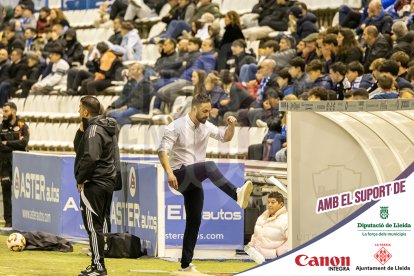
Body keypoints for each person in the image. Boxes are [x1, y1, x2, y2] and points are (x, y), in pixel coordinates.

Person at [157, 93, 253, 273]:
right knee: (209, 166)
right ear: (194, 109)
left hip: (195, 177)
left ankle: (185, 265)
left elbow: (226, 137)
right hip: (180, 175)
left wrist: (231, 126)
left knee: (194, 221)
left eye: (209, 111)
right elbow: (162, 151)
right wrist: (169, 173)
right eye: (204, 111)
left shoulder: (206, 125)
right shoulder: (175, 126)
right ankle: (236, 194)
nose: (208, 114)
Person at [74, 96, 120, 276]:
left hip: (95, 182)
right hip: (107, 181)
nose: (78, 111)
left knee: (94, 227)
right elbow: (80, 148)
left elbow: (90, 157)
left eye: (80, 108)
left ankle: (99, 267)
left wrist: (81, 178)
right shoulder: (107, 127)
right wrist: (80, 131)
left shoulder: (93, 129)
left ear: (86, 111)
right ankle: (95, 264)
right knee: (98, 226)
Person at [0, 102, 30, 228]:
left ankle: (23, 220)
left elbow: (24, 143)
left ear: (14, 111)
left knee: (22, 192)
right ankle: (8, 221)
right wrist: (10, 143)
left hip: (20, 163)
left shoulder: (22, 125)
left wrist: (7, 143)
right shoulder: (1, 126)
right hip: (4, 164)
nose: (4, 114)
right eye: (3, 112)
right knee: (6, 191)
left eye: (6, 111)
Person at [245, 191, 288, 263]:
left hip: (276, 261)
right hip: (257, 260)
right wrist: (250, 247)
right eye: (268, 202)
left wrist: (278, 253)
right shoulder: (262, 217)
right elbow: (256, 235)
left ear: (281, 204)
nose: (270, 205)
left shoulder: (286, 219)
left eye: (273, 202)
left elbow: (291, 241)